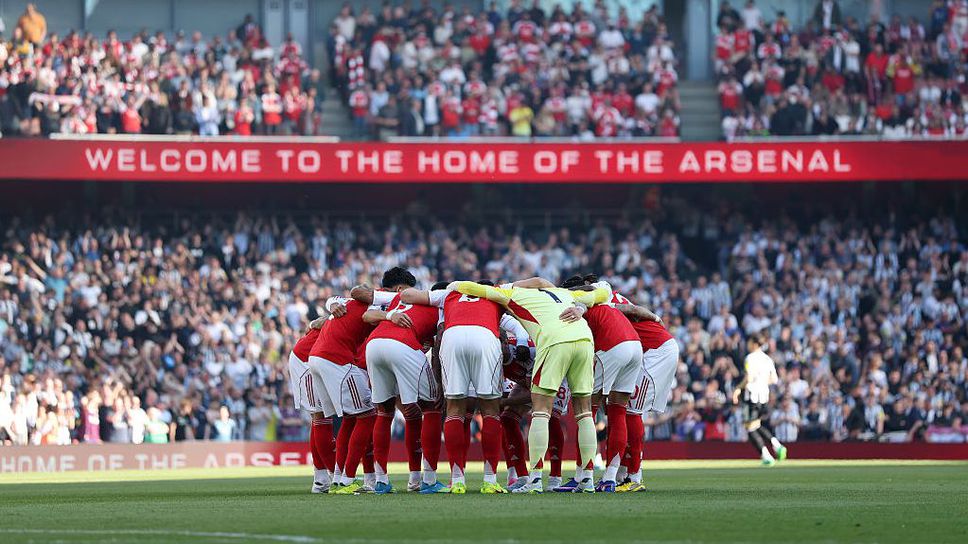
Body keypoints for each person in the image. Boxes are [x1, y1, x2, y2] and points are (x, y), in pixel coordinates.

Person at [448, 277, 613, 493]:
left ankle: (534, 480)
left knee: (541, 412)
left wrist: (455, 285)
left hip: (554, 341)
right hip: (584, 340)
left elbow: (477, 289)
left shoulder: (515, 294)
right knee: (584, 413)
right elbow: (603, 293)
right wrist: (581, 307)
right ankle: (588, 480)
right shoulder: (567, 295)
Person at [399, 280, 530, 494]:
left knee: (455, 410)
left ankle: (457, 480)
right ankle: (489, 481)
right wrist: (523, 343)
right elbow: (517, 323)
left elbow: (408, 296)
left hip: (453, 336)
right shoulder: (493, 294)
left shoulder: (449, 293)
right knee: (490, 410)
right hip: (485, 337)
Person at [359, 267, 444, 494]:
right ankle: (428, 480)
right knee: (432, 408)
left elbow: (366, 315)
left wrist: (389, 316)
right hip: (402, 345)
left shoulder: (396, 299)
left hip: (374, 345)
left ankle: (382, 481)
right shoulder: (441, 305)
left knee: (384, 412)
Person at [311, 286, 395, 495]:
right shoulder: (376, 303)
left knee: (350, 417)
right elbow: (368, 315)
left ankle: (339, 478)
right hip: (336, 358)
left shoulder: (347, 302)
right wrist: (391, 315)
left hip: (318, 357)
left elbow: (334, 298)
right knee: (367, 415)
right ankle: (348, 479)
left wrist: (330, 303)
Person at [732, 334, 788, 465]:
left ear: (754, 343)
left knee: (749, 428)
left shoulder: (750, 358)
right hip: (764, 396)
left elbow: (749, 378)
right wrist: (762, 383)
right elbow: (774, 379)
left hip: (752, 396)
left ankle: (766, 456)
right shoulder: (768, 359)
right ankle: (777, 445)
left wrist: (738, 389)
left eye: (749, 341)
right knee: (756, 424)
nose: (747, 344)